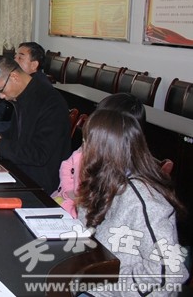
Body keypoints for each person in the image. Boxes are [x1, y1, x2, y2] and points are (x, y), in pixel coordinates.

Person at [76, 109, 188, 295]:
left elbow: (169, 274)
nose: (83, 149)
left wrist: (107, 284)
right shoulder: (102, 181)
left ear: (101, 150)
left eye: (85, 142)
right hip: (92, 280)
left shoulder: (144, 202)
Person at [0, 55, 71, 194]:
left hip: (39, 184)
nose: (1, 96)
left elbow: (39, 154)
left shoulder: (51, 102)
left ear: (14, 77)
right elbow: (16, 132)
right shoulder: (21, 96)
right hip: (19, 170)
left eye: (0, 90)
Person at [52, 93, 146, 218]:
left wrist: (77, 198)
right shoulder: (88, 147)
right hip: (67, 200)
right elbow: (67, 166)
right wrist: (68, 190)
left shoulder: (126, 177)